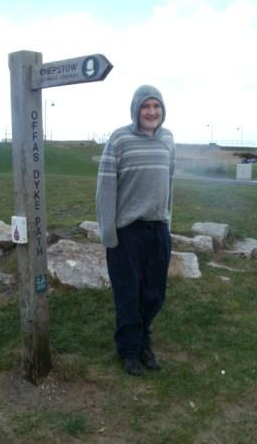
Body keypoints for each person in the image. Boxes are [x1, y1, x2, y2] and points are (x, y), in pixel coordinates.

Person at [96, 85, 175, 376]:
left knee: (154, 294)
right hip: (127, 232)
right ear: (136, 109)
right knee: (128, 293)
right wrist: (108, 233)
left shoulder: (168, 140)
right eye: (146, 106)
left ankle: (144, 343)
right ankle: (129, 351)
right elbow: (105, 189)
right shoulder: (120, 140)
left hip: (158, 230)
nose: (152, 112)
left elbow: (169, 184)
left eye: (156, 106)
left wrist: (168, 221)